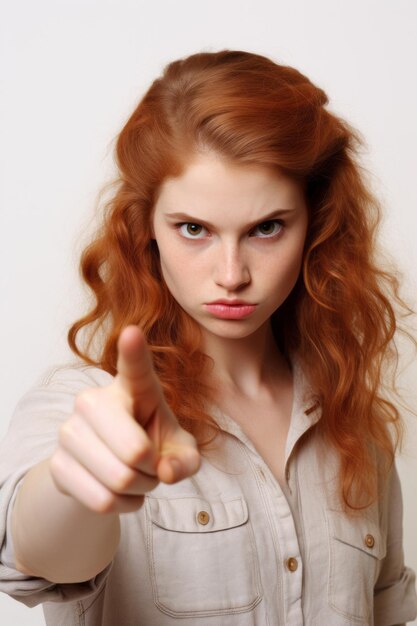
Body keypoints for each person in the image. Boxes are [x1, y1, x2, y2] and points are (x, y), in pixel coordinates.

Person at [0, 49, 416, 626]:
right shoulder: (83, 409)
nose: (232, 273)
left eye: (266, 228)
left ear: (315, 226)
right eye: (193, 229)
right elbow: (40, 554)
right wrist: (78, 484)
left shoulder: (357, 429)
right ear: (146, 228)